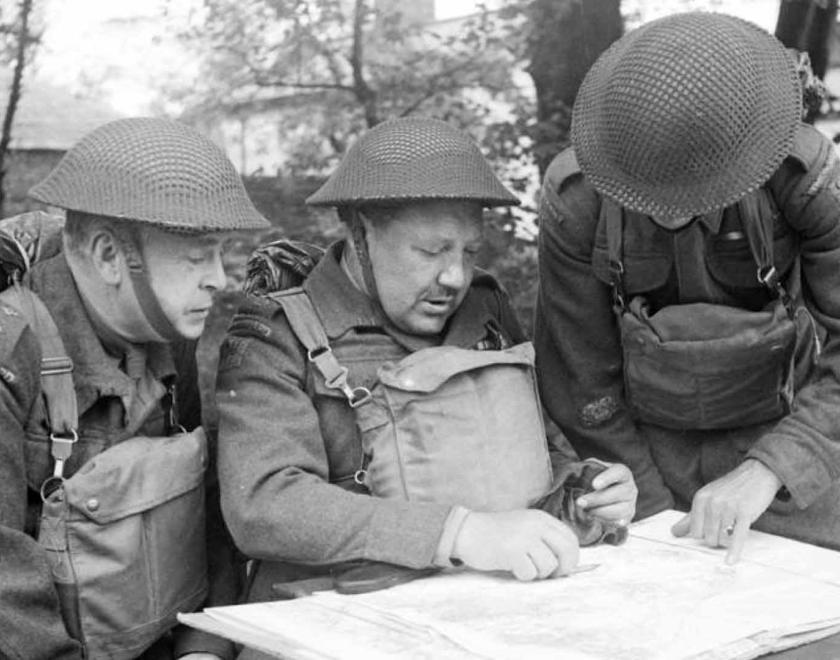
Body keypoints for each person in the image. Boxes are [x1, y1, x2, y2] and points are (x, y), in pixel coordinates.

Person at [215, 117, 637, 636]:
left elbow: (539, 456)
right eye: (431, 252)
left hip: (497, 616)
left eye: (468, 252)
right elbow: (264, 504)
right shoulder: (278, 334)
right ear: (361, 232)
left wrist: (587, 494)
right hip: (337, 626)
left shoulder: (484, 310)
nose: (454, 277)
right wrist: (460, 533)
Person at [535, 11, 840, 564]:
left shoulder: (803, 176)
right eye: (648, 190)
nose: (668, 212)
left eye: (694, 186)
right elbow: (579, 375)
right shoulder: (578, 199)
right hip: (641, 452)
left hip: (792, 441)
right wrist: (646, 510)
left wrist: (774, 467)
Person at [0, 117, 269, 660]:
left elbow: (203, 507)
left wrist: (203, 646)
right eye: (197, 257)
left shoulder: (172, 332)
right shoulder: (12, 351)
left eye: (221, 254)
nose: (221, 279)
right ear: (107, 254)